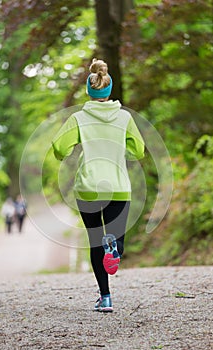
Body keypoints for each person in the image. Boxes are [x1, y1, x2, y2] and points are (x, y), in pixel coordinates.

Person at [52, 58, 145, 312]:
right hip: (117, 186)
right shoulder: (124, 118)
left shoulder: (78, 118)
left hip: (88, 188)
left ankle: (105, 298)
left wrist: (68, 152)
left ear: (89, 90)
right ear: (109, 88)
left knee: (94, 240)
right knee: (116, 239)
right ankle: (114, 246)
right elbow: (139, 150)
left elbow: (59, 148)